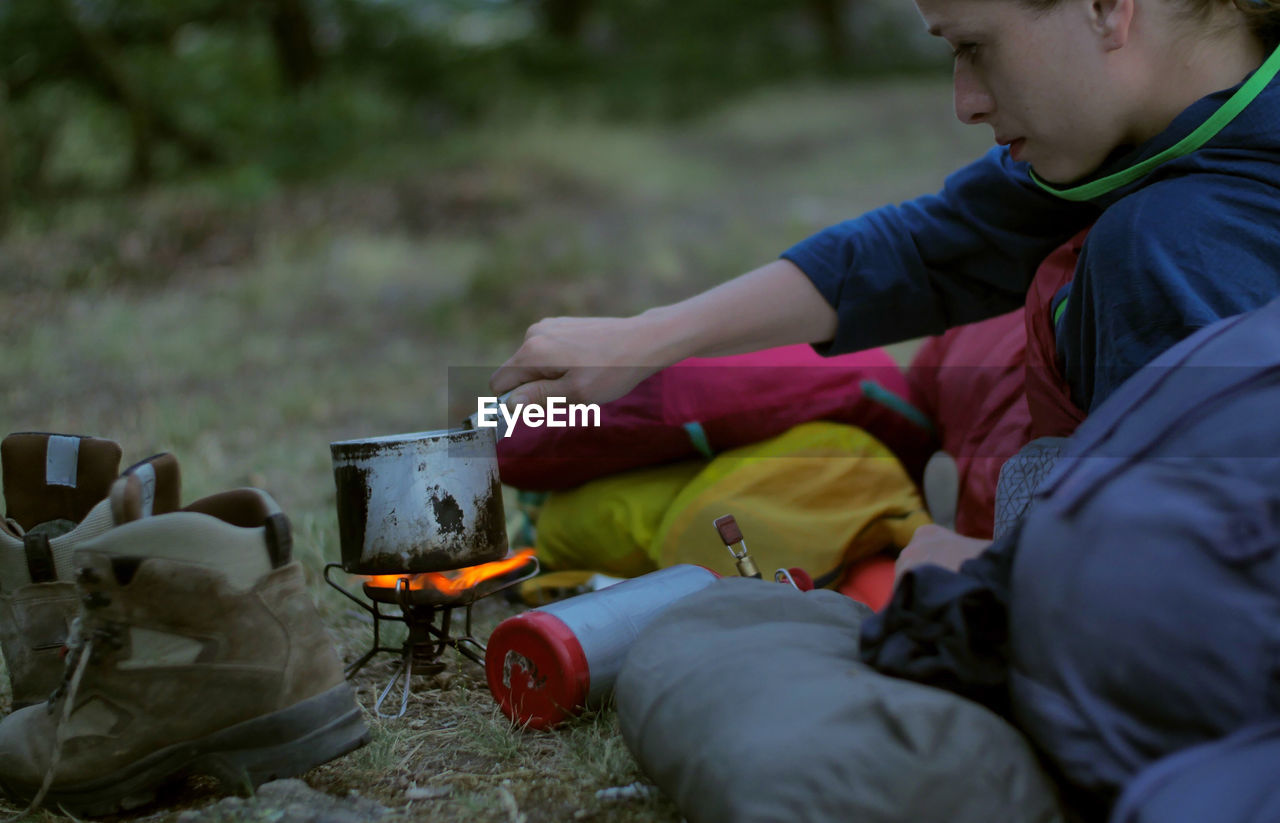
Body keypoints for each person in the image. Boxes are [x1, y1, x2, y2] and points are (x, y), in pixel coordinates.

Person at [491, 0, 1280, 575]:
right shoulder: (1170, 123)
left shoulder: (1178, 246)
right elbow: (933, 243)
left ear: (1108, 8)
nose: (965, 100)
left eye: (974, 46)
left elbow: (1210, 585)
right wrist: (647, 337)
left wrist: (984, 569)